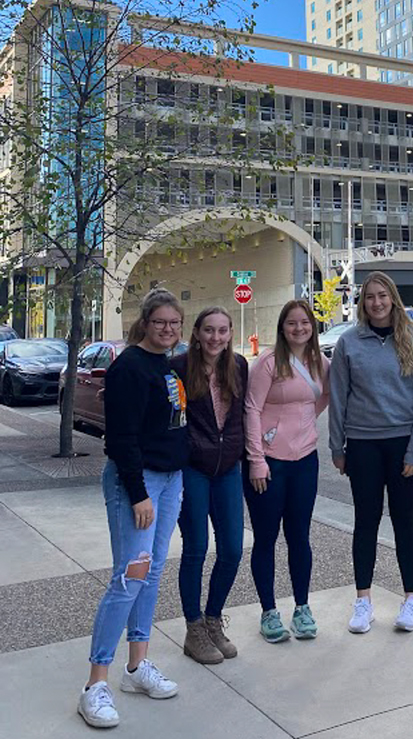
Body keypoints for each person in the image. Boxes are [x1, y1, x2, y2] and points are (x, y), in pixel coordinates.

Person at [78, 289, 189, 729]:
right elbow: (120, 439)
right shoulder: (129, 368)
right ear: (145, 322)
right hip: (137, 485)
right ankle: (95, 684)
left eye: (174, 323)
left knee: (153, 572)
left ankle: (136, 667)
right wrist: (139, 492)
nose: (168, 329)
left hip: (169, 481)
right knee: (129, 578)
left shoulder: (165, 363)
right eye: (160, 322)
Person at [329, 271, 413, 634]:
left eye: (382, 296)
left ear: (393, 299)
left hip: (402, 444)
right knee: (366, 521)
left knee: (405, 521)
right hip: (361, 445)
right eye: (370, 297)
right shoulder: (348, 343)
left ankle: (410, 599)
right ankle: (363, 601)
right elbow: (338, 397)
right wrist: (336, 446)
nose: (376, 302)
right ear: (363, 302)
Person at [244, 299, 329, 643]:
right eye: (292, 323)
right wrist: (256, 458)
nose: (299, 329)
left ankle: (302, 607)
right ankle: (268, 611)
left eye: (304, 323)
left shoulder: (320, 363)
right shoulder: (267, 363)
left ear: (312, 326)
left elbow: (322, 399)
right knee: (266, 538)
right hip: (268, 463)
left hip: (305, 460)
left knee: (300, 537)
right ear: (282, 327)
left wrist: (304, 429)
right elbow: (251, 409)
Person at [171, 307, 248, 665]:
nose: (216, 337)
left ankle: (213, 618)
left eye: (222, 331)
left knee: (232, 548)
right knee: (196, 547)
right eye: (209, 331)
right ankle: (193, 628)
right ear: (197, 333)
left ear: (231, 333)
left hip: (228, 468)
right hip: (193, 468)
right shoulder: (179, 367)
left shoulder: (239, 367)